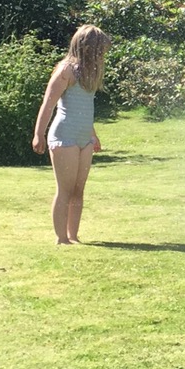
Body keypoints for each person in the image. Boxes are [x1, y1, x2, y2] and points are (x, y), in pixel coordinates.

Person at [33, 25, 111, 245]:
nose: (101, 56)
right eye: (99, 51)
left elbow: (84, 108)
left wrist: (93, 135)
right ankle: (61, 238)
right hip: (64, 135)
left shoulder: (90, 71)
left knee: (78, 190)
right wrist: (38, 134)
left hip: (84, 137)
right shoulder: (65, 70)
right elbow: (48, 105)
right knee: (65, 190)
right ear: (87, 48)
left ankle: (73, 237)